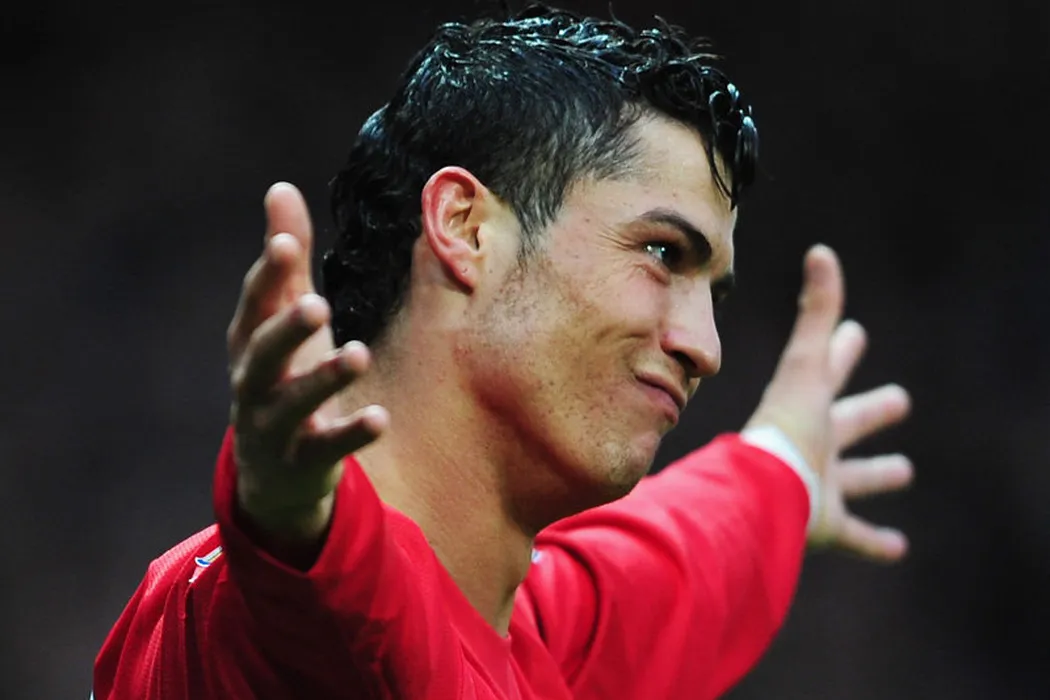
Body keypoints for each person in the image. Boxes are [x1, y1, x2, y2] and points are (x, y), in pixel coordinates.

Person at [93, 5, 914, 699]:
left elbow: (674, 564)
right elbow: (329, 610)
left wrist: (785, 467)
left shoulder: (533, 644)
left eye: (714, 295)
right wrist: (291, 512)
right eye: (663, 252)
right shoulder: (247, 616)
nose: (706, 348)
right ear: (466, 228)